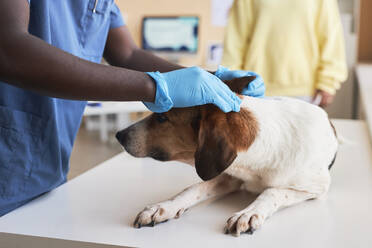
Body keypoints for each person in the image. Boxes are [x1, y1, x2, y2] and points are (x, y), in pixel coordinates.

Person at [0, 1, 265, 216]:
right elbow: (8, 48)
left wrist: (213, 79)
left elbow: (126, 54)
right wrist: (154, 86)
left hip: (46, 166)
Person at [222, 0, 347, 107]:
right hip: (255, 90)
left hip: (307, 93)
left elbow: (331, 36)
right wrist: (232, 82)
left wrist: (328, 82)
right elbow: (235, 40)